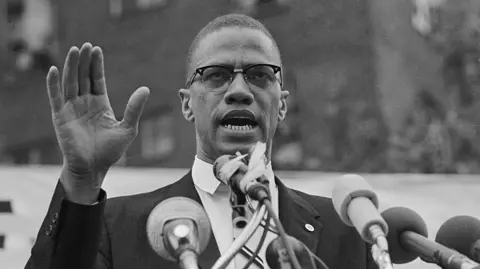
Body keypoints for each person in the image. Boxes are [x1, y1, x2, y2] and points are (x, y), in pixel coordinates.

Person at [25, 13, 376, 269]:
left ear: (281, 104)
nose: (239, 91)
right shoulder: (116, 227)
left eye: (259, 75)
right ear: (187, 104)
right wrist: (82, 181)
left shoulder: (347, 231)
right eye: (216, 76)